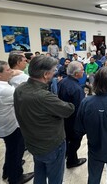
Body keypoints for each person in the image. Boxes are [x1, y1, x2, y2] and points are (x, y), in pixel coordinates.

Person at [14, 55, 75, 184]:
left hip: (33, 142)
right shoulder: (44, 97)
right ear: (46, 74)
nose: (54, 73)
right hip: (51, 145)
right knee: (55, 178)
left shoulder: (20, 89)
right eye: (53, 71)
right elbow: (68, 109)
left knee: (40, 172)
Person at [0, 60, 34, 184]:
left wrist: (12, 74)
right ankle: (16, 177)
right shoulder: (2, 90)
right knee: (16, 151)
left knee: (11, 149)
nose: (11, 71)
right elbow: (26, 95)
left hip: (3, 124)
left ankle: (7, 170)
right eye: (8, 70)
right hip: (12, 126)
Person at [57, 61, 87, 169]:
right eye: (82, 70)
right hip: (74, 121)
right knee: (75, 141)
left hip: (63, 118)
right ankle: (72, 160)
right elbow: (80, 109)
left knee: (66, 138)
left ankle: (67, 154)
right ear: (76, 74)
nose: (84, 72)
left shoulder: (61, 82)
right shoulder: (77, 89)